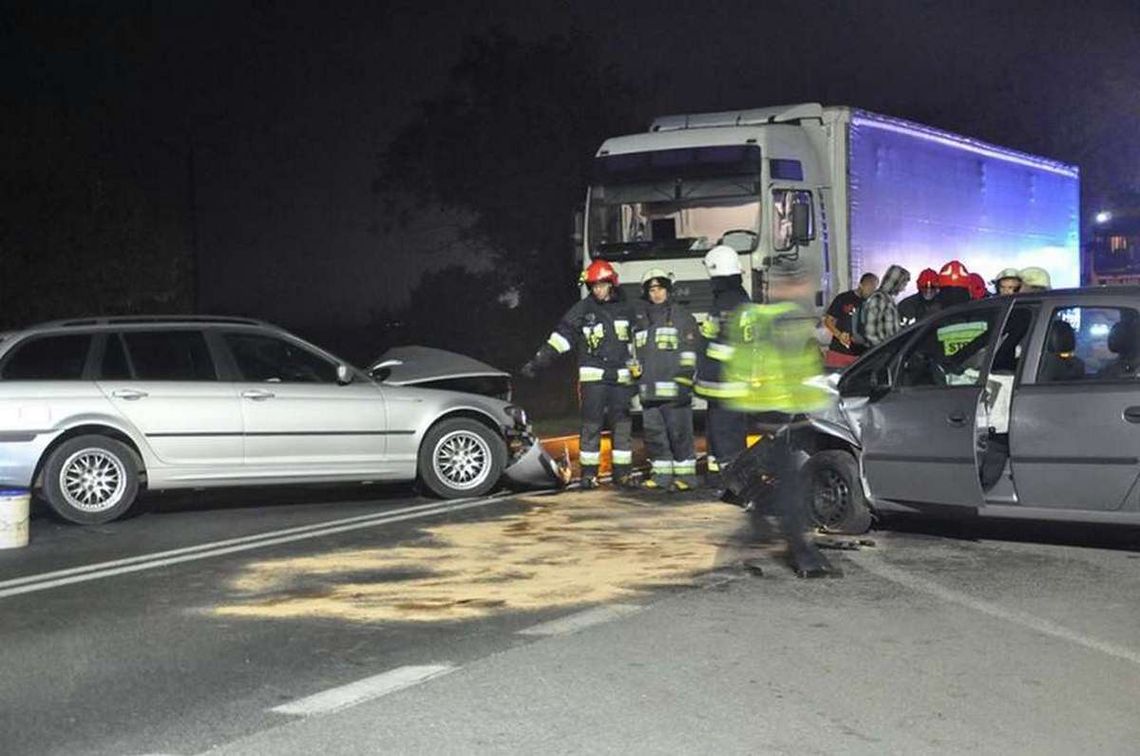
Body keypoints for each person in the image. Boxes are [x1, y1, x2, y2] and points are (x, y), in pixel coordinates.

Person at [719, 264, 840, 578]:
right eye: (797, 285)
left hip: (780, 412)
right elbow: (773, 368)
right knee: (790, 486)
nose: (801, 291)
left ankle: (758, 520)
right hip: (775, 413)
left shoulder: (778, 318)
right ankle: (803, 553)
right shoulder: (774, 320)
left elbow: (801, 368)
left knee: (779, 479)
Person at [520, 259, 637, 489]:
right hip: (594, 380)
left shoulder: (627, 309)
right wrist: (539, 361)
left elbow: (637, 342)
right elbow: (562, 338)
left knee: (622, 427)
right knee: (591, 426)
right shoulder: (583, 309)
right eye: (594, 286)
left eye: (602, 285)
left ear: (612, 284)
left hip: (621, 379)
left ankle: (622, 474)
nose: (598, 290)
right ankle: (589, 475)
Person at [631, 269, 700, 492]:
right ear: (647, 293)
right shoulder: (641, 320)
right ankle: (661, 476)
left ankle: (687, 479)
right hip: (649, 392)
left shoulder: (681, 316)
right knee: (654, 437)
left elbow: (690, 353)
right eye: (652, 289)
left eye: (660, 288)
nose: (657, 293)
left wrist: (685, 382)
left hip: (675, 392)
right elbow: (634, 352)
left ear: (668, 290)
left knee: (680, 436)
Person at [693, 245, 752, 489]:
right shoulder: (742, 299)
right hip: (734, 382)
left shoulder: (725, 303)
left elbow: (711, 338)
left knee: (725, 435)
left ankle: (735, 483)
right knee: (725, 433)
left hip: (722, 381)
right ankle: (719, 476)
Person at [822, 272, 878, 369]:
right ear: (860, 285)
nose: (871, 291)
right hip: (839, 352)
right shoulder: (843, 298)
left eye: (874, 288)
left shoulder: (872, 303)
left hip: (860, 355)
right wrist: (839, 335)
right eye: (869, 287)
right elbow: (828, 321)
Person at [861, 264, 911, 347]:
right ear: (895, 282)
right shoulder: (879, 299)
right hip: (882, 354)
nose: (903, 289)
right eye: (903, 284)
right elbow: (871, 333)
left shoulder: (887, 299)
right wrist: (884, 349)